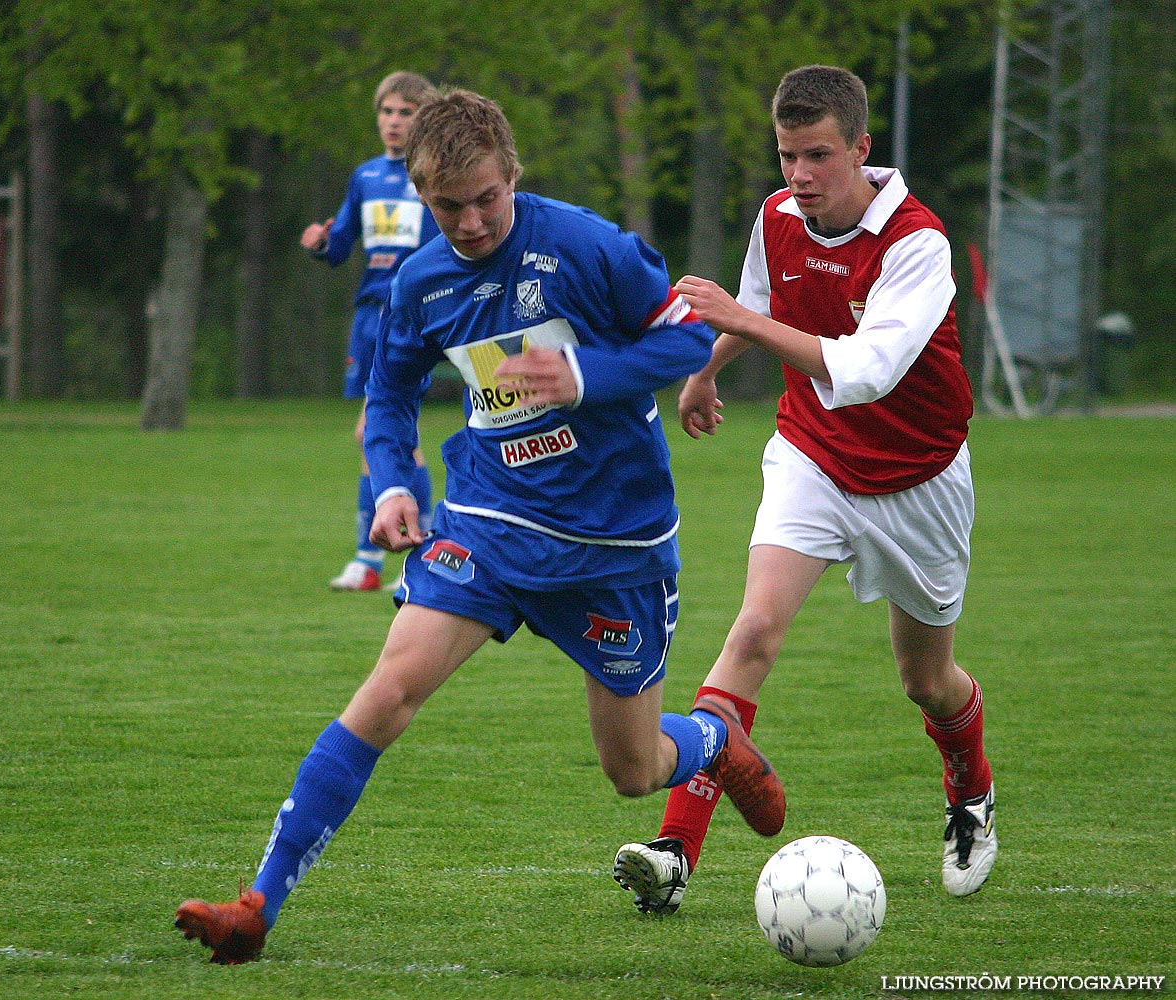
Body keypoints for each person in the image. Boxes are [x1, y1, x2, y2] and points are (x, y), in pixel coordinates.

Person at [174, 88, 787, 964]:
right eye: (446, 205)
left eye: (485, 199)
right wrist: (390, 485)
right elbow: (388, 398)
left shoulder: (584, 245)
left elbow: (689, 338)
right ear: (421, 194)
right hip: (488, 522)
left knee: (633, 771)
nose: (467, 222)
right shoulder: (421, 284)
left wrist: (584, 376)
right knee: (388, 691)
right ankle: (257, 906)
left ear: (512, 176)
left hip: (613, 543)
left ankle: (713, 740)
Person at [613, 64, 997, 915]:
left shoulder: (916, 244)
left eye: (819, 155)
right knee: (752, 630)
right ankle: (674, 852)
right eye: (787, 155)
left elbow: (864, 369)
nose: (799, 176)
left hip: (920, 480)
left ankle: (970, 789)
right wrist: (708, 372)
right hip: (814, 457)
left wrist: (738, 326)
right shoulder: (779, 217)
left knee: (926, 681)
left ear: (862, 148)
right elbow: (756, 300)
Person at [301, 70, 440, 592]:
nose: (394, 122)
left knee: (374, 431)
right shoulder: (364, 178)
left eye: (405, 112)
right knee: (393, 438)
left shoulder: (436, 176)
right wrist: (321, 242)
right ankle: (409, 554)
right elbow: (340, 248)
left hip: (415, 314)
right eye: (387, 112)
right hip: (370, 316)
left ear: (423, 117)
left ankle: (373, 558)